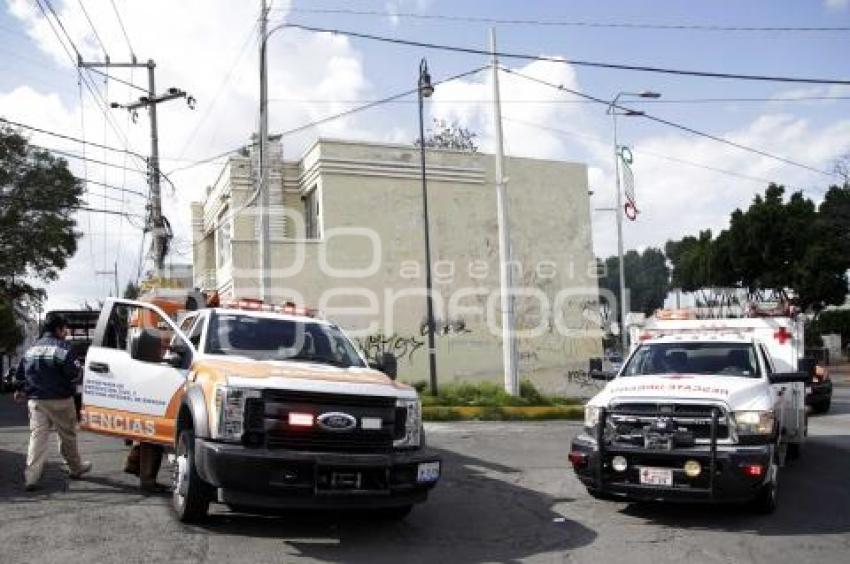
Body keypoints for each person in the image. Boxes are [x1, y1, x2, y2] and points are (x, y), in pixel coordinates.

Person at [14, 313, 92, 491]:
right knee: (67, 436)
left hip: (36, 401)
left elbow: (21, 373)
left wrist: (20, 389)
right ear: (58, 329)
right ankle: (75, 468)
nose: (66, 332)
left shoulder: (31, 349)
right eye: (65, 329)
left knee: (38, 438)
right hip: (61, 400)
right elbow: (73, 373)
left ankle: (31, 477)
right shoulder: (64, 348)